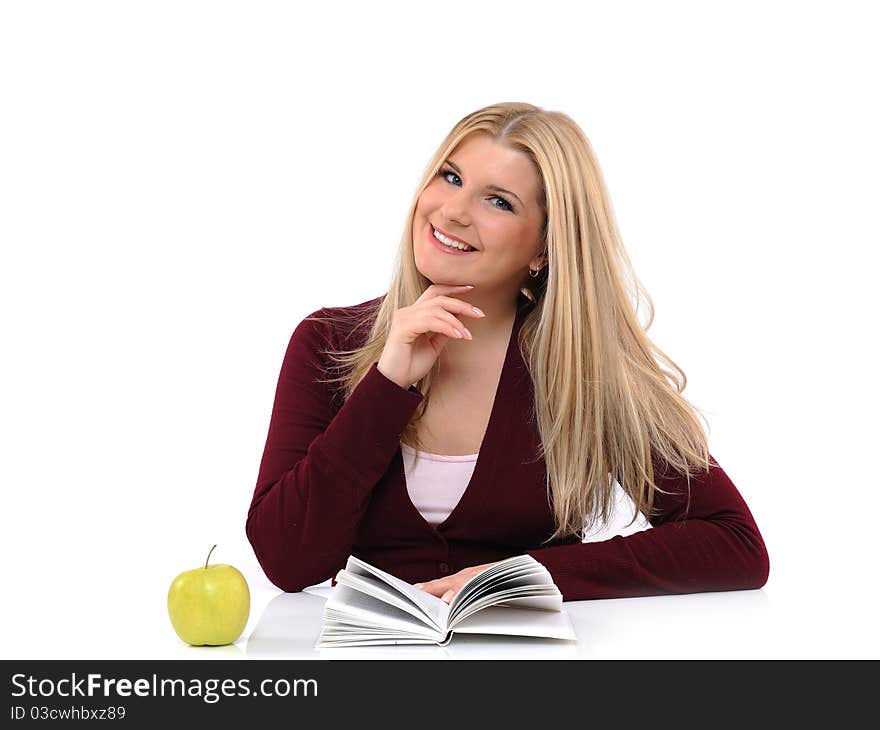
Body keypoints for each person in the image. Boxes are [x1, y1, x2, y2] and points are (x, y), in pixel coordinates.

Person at [246, 101, 770, 604]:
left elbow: (735, 544)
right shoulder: (329, 342)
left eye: (498, 201)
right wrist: (385, 385)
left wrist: (521, 576)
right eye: (450, 177)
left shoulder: (585, 371)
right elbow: (286, 561)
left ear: (544, 246)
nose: (452, 212)